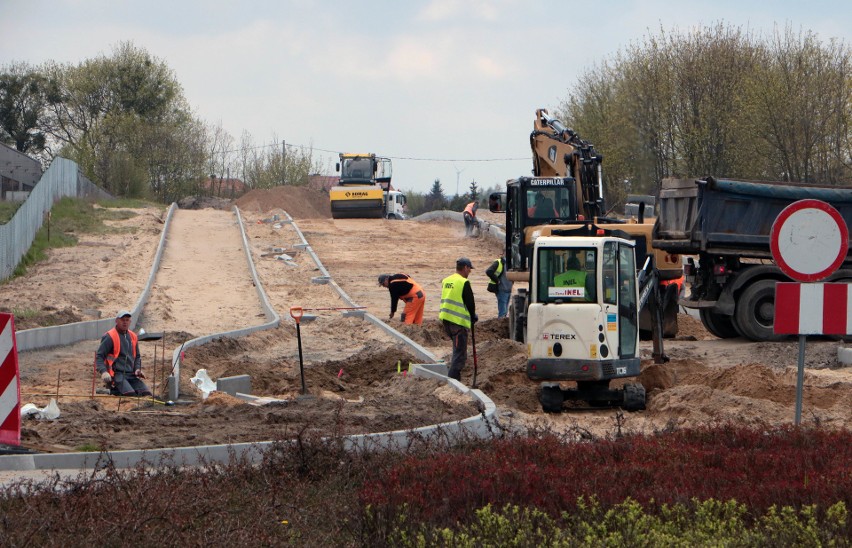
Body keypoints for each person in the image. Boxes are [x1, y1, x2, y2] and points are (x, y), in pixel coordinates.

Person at [95, 310, 151, 397]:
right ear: (117, 321)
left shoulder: (133, 336)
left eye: (127, 320)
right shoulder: (110, 336)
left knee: (146, 394)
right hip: (117, 375)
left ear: (130, 322)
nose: (125, 322)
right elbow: (99, 356)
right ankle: (111, 390)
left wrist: (137, 369)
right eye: (122, 320)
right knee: (130, 394)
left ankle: (111, 391)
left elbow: (137, 356)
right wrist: (104, 372)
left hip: (131, 375)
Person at [439, 257, 477, 381]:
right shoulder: (463, 282)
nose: (469, 272)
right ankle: (453, 381)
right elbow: (470, 302)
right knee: (460, 354)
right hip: (458, 322)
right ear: (465, 267)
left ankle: (456, 379)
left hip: (446, 320)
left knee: (457, 351)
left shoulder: (446, 280)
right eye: (469, 269)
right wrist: (472, 316)